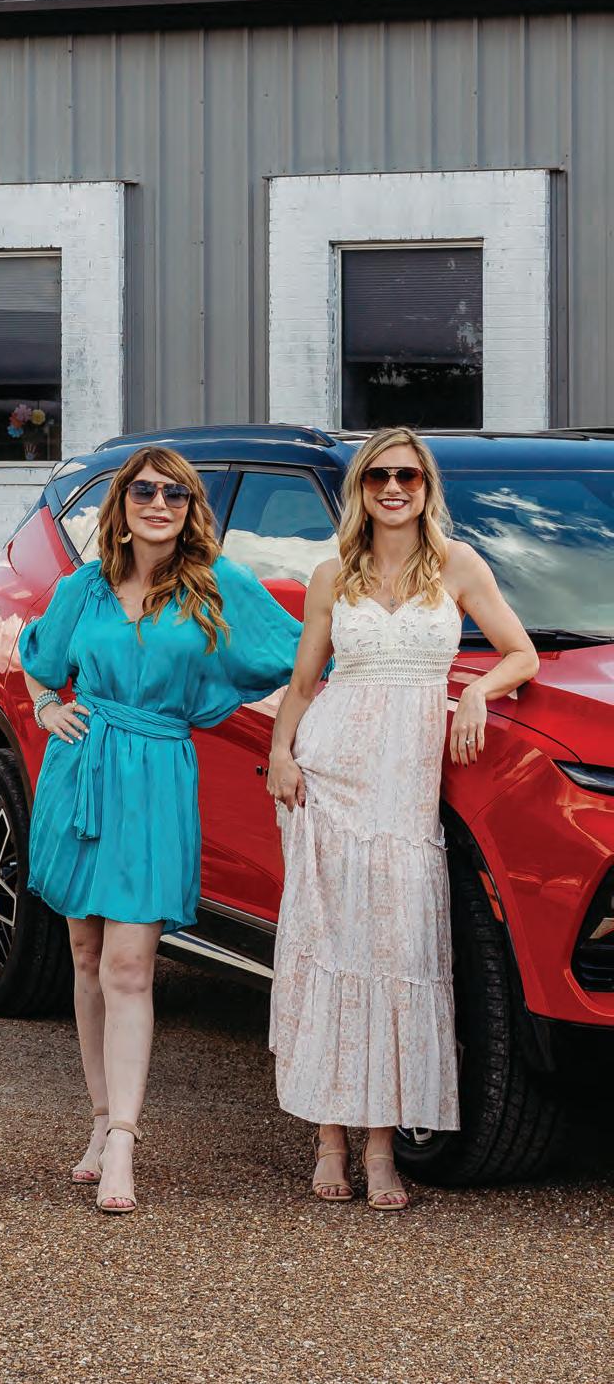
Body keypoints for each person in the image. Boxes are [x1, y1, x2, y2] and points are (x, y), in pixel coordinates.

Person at [19, 445, 301, 1214]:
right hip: (82, 772)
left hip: (156, 780)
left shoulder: (216, 584)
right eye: (143, 490)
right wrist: (46, 705)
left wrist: (291, 736)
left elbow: (301, 653)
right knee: (86, 955)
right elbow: (37, 655)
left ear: (190, 509)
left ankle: (123, 1140)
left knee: (130, 965)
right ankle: (98, 1117)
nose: (158, 503)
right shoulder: (84, 588)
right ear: (121, 505)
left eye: (175, 493)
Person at [266, 427, 538, 1211]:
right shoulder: (333, 573)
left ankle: (381, 1146)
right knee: (331, 945)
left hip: (404, 792)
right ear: (361, 487)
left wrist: (476, 690)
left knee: (396, 949)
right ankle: (329, 1138)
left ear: (425, 488)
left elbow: (520, 652)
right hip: (330, 775)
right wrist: (281, 751)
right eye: (379, 475)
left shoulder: (458, 564)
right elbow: (305, 681)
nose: (393, 488)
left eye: (408, 477)